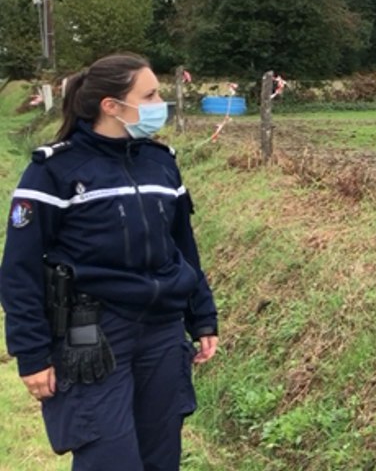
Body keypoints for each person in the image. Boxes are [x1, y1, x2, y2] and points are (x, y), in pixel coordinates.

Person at [1, 53, 218, 470]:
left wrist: (202, 317)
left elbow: (182, 248)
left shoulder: (160, 163)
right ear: (111, 106)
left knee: (161, 458)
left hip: (161, 332)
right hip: (94, 337)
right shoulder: (54, 171)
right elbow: (19, 271)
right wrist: (31, 353)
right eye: (150, 94)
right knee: (110, 460)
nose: (160, 103)